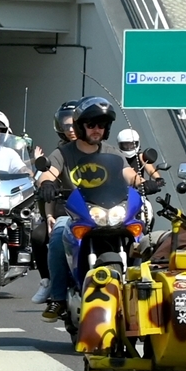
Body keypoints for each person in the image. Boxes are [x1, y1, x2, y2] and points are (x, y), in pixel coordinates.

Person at [40, 96, 138, 319]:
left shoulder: (113, 152)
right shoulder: (63, 153)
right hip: (76, 214)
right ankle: (57, 298)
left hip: (110, 211)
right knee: (58, 234)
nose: (96, 129)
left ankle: (140, 289)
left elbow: (129, 174)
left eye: (101, 125)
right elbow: (48, 173)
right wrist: (46, 183)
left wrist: (143, 182)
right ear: (79, 126)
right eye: (91, 124)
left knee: (140, 235)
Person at [31, 100, 80, 302]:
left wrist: (143, 182)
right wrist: (49, 215)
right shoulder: (60, 153)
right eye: (66, 125)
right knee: (39, 236)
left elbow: (125, 172)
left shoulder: (104, 150)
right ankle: (50, 285)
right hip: (68, 210)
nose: (71, 130)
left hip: (100, 210)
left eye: (74, 124)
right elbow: (49, 178)